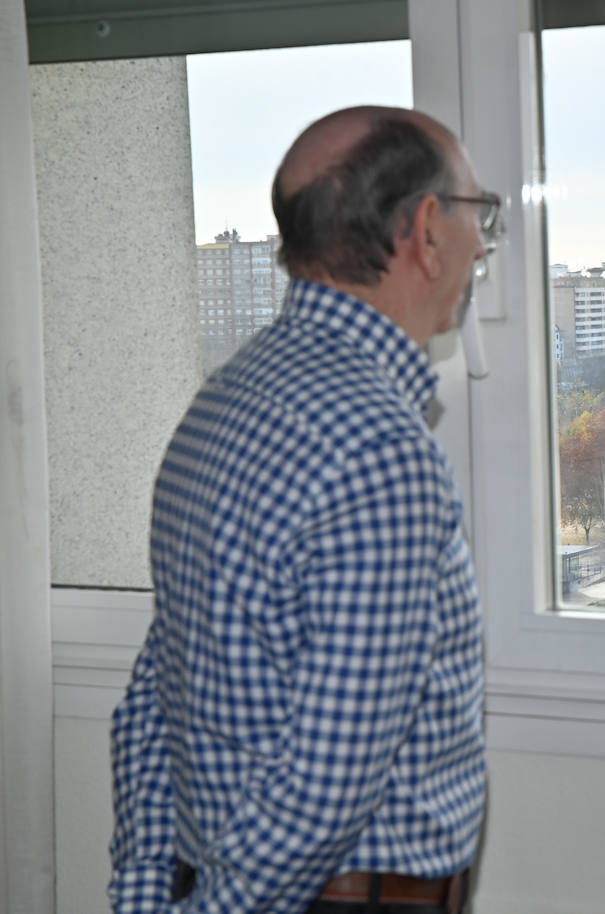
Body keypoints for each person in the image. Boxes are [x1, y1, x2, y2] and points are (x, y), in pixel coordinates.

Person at [108, 106, 497, 914]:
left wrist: (147, 893)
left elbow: (154, 696)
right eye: (475, 215)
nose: (483, 244)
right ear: (425, 229)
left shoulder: (220, 404)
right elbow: (327, 785)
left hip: (220, 879)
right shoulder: (381, 453)